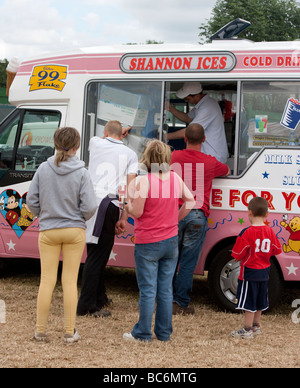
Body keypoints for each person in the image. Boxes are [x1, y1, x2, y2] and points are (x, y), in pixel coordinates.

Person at [27, 127, 97, 343]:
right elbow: (90, 206)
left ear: (55, 144)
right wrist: (79, 217)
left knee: (46, 280)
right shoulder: (82, 172)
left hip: (48, 230)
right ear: (76, 146)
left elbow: (31, 201)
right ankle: (69, 332)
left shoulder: (43, 169)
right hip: (74, 230)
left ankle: (40, 331)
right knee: (69, 281)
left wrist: (45, 215)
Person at [123, 140, 195, 342]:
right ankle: (163, 333)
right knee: (165, 289)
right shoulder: (175, 178)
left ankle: (142, 333)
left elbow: (137, 212)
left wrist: (127, 206)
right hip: (170, 240)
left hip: (147, 242)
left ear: (147, 157)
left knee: (148, 289)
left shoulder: (142, 181)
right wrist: (176, 219)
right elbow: (190, 201)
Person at [77, 120, 138, 318]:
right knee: (97, 257)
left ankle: (99, 297)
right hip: (108, 205)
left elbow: (108, 137)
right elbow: (130, 187)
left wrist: (119, 132)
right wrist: (125, 215)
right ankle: (86, 306)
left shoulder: (95, 142)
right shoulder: (130, 154)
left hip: (87, 203)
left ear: (105, 132)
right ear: (123, 135)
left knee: (94, 252)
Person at [171, 123, 230, 315]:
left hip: (175, 213)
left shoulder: (173, 156)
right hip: (197, 214)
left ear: (185, 138)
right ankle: (180, 302)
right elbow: (227, 171)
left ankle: (164, 298)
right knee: (188, 262)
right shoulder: (210, 161)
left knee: (170, 259)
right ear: (204, 140)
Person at [231, 197, 282, 339]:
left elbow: (237, 255)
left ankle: (247, 329)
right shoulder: (270, 231)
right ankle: (256, 326)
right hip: (265, 272)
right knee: (260, 300)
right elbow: (276, 250)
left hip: (249, 273)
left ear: (249, 212)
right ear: (267, 214)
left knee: (249, 302)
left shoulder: (246, 233)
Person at [165, 82, 228, 163]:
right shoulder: (201, 105)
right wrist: (170, 108)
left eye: (187, 99)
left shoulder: (208, 107)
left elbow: (191, 132)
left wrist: (165, 136)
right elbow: (187, 118)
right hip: (206, 155)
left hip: (212, 156)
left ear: (197, 96)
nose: (185, 100)